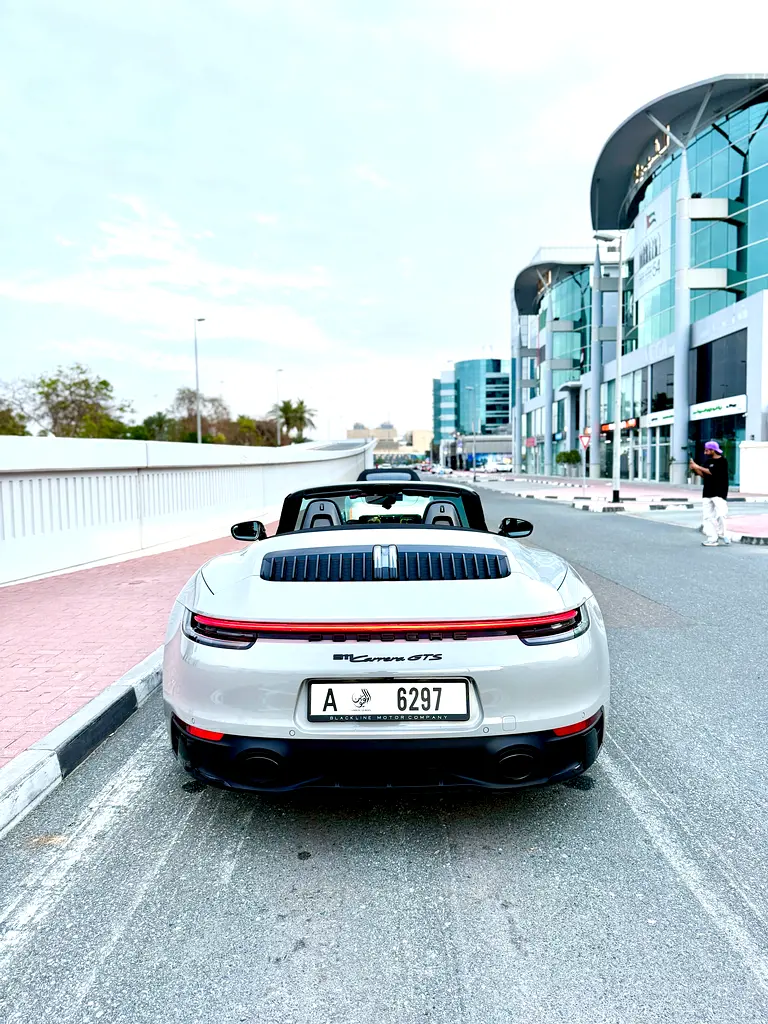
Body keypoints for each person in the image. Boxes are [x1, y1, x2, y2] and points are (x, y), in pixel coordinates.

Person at [689, 441, 730, 547]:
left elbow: (712, 472)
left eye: (707, 450)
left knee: (721, 515)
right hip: (707, 492)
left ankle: (723, 534)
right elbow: (704, 474)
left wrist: (697, 466)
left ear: (713, 450)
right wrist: (695, 469)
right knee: (708, 517)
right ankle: (712, 539)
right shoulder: (708, 461)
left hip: (719, 492)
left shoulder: (722, 461)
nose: (705, 452)